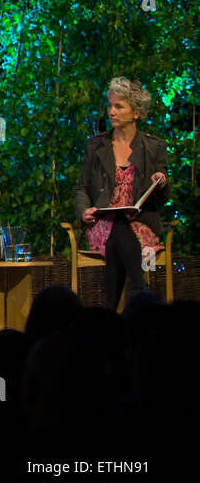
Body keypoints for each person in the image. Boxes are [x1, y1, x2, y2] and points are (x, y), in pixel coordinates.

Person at [74, 77, 169, 309]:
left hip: (140, 224)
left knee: (120, 233)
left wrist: (161, 183)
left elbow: (162, 199)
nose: (111, 112)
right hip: (102, 224)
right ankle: (144, 294)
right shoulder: (96, 146)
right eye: (110, 106)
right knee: (117, 228)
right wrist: (84, 210)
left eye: (118, 106)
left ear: (135, 113)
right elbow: (82, 188)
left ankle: (110, 313)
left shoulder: (153, 147)